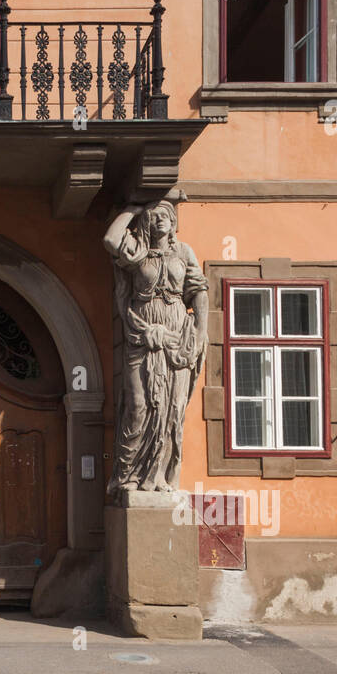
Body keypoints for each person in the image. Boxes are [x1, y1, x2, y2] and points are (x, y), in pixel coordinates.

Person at [103, 199, 208, 494]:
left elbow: (198, 291)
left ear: (174, 223)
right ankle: (127, 476)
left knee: (171, 410)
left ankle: (159, 476)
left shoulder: (183, 252)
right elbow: (111, 239)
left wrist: (200, 332)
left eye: (167, 215)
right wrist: (135, 206)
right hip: (141, 333)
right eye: (155, 215)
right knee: (138, 405)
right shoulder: (136, 253)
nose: (161, 219)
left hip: (176, 339)